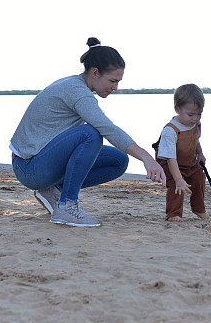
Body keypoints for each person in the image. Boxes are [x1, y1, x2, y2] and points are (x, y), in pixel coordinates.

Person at [10, 37, 167, 227]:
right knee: (91, 135)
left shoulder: (77, 85)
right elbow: (107, 128)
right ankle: (67, 206)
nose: (116, 87)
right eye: (112, 81)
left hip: (38, 163)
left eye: (118, 81)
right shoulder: (78, 92)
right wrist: (147, 158)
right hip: (30, 168)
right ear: (95, 73)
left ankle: (54, 190)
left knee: (118, 160)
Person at [152, 84, 208, 222]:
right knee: (177, 186)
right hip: (170, 164)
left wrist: (200, 154)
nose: (195, 118)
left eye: (199, 114)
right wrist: (179, 179)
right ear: (177, 109)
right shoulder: (170, 130)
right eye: (190, 114)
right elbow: (170, 158)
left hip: (189, 162)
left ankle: (199, 209)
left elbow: (196, 140)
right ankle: (173, 214)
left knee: (199, 179)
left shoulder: (195, 124)